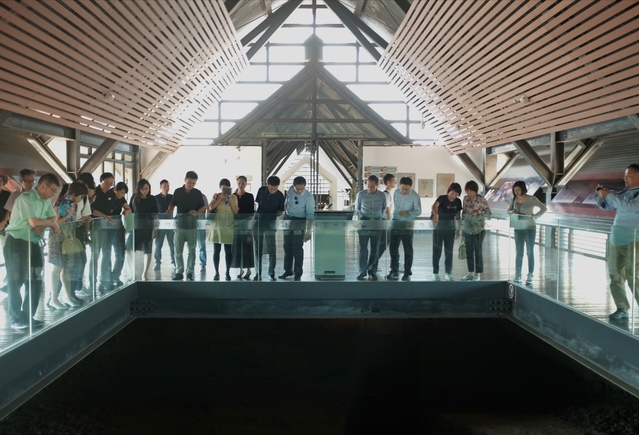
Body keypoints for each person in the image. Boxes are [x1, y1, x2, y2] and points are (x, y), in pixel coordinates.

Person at [4, 173, 61, 331]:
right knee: (16, 280)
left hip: (34, 243)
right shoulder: (26, 198)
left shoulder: (46, 201)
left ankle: (28, 316)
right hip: (17, 243)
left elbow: (53, 217)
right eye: (52, 190)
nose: (53, 195)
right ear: (43, 186)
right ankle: (16, 318)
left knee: (35, 280)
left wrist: (44, 224)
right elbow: (34, 221)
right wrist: (48, 224)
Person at [596, 163, 639, 320]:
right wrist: (600, 195)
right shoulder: (623, 193)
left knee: (633, 275)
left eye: (628, 176)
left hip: (635, 239)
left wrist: (609, 195)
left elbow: (629, 207)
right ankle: (622, 307)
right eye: (625, 176)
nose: (624, 178)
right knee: (615, 274)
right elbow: (606, 205)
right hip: (617, 238)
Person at [47, 181, 89, 309]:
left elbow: (72, 221)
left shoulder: (73, 204)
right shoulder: (59, 202)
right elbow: (54, 222)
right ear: (74, 194)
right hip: (57, 239)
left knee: (67, 269)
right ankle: (53, 299)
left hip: (68, 239)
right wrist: (68, 216)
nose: (81, 199)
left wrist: (80, 220)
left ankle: (67, 296)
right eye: (81, 196)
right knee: (57, 268)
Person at [166, 171, 207, 281]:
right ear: (185, 180)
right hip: (179, 225)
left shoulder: (197, 193)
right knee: (178, 250)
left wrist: (196, 212)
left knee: (192, 251)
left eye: (193, 183)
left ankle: (190, 272)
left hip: (192, 225)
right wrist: (170, 209)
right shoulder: (178, 191)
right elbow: (172, 203)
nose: (191, 185)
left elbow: (203, 207)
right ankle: (179, 272)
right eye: (189, 182)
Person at [507, 180, 547, 286]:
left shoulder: (531, 199)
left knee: (530, 252)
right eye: (514, 190)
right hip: (518, 227)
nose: (516, 192)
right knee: (519, 252)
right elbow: (508, 210)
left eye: (518, 190)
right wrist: (513, 212)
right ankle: (518, 275)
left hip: (530, 227)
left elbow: (543, 208)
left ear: (523, 189)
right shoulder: (513, 199)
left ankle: (530, 275)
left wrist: (534, 216)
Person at [279, 176, 314, 281]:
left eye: (301, 189)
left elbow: (310, 215)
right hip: (287, 219)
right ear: (293, 186)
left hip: (299, 221)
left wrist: (308, 231)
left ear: (305, 187)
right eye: (297, 189)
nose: (299, 191)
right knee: (287, 246)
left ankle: (298, 272)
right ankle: (288, 270)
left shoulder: (308, 197)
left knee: (297, 247)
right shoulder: (290, 189)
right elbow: (287, 203)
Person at [387, 176, 421, 281]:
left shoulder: (415, 196)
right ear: (399, 186)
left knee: (407, 248)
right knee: (393, 247)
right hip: (395, 222)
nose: (404, 191)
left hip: (407, 224)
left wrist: (408, 213)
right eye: (402, 189)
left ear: (411, 187)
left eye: (406, 189)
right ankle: (394, 270)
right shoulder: (396, 193)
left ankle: (407, 271)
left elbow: (418, 211)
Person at [355, 175, 386, 280]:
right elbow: (357, 208)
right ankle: (362, 271)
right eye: (368, 186)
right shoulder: (361, 194)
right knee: (363, 248)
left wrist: (377, 216)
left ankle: (372, 270)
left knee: (375, 248)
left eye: (372, 186)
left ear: (377, 185)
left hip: (377, 222)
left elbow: (383, 208)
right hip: (364, 221)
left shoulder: (382, 195)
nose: (369, 188)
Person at [253, 176, 285, 281]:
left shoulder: (280, 196)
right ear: (267, 185)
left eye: (275, 189)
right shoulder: (261, 190)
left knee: (272, 248)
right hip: (259, 221)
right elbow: (258, 204)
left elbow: (280, 211)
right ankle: (258, 272)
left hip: (271, 223)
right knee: (258, 248)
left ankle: (272, 272)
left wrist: (277, 213)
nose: (273, 191)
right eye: (271, 188)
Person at [126, 179, 158, 280]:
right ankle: (132, 271)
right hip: (136, 227)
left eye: (146, 189)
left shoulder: (152, 198)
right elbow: (130, 211)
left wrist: (155, 229)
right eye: (142, 189)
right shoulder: (134, 197)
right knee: (129, 248)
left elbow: (155, 214)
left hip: (148, 227)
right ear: (139, 189)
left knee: (148, 250)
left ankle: (145, 273)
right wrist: (128, 226)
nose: (144, 191)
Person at [90, 172, 117, 292]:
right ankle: (92, 282)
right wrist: (105, 216)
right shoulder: (94, 193)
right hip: (96, 227)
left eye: (111, 183)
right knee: (95, 254)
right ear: (101, 181)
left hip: (108, 228)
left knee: (107, 253)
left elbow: (113, 208)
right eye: (107, 183)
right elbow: (92, 210)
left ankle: (104, 280)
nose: (109, 185)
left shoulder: (111, 193)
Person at [460, 181, 491, 281]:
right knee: (468, 250)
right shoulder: (465, 199)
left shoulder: (481, 199)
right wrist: (462, 225)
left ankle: (478, 274)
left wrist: (478, 211)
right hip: (468, 228)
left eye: (471, 191)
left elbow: (488, 212)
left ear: (475, 191)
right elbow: (464, 212)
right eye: (467, 191)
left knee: (478, 250)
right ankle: (470, 273)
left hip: (479, 229)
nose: (469, 193)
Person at [431, 183, 463, 281]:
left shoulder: (458, 201)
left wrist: (457, 229)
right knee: (437, 251)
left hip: (450, 228)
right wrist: (436, 214)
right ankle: (435, 273)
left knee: (449, 251)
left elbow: (458, 216)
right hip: (439, 228)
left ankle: (448, 273)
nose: (454, 196)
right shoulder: (442, 198)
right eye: (452, 193)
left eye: (456, 194)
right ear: (448, 191)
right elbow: (434, 206)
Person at [208, 178, 238, 281]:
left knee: (228, 251)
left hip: (229, 226)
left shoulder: (233, 197)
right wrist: (220, 199)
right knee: (216, 250)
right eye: (223, 189)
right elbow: (211, 207)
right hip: (217, 226)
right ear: (220, 188)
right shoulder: (216, 196)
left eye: (227, 189)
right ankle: (216, 272)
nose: (224, 191)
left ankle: (227, 272)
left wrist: (230, 201)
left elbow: (235, 211)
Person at [231, 176, 255, 280]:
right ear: (237, 183)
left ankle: (248, 269)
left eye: (243, 183)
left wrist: (248, 224)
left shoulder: (249, 196)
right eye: (239, 183)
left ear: (246, 184)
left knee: (247, 247)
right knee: (237, 247)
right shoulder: (233, 196)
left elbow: (251, 212)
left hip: (246, 225)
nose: (241, 185)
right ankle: (240, 268)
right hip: (235, 225)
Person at [108, 182, 131, 287]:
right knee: (107, 253)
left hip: (118, 228)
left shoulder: (121, 199)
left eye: (124, 193)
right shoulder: (109, 195)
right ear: (115, 190)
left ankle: (115, 276)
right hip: (107, 228)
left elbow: (128, 208)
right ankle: (107, 277)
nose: (122, 195)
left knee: (120, 253)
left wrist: (127, 211)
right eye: (121, 192)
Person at [375, 173, 396, 273]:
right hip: (385, 222)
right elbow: (387, 210)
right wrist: (389, 222)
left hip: (385, 221)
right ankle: (373, 264)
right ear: (388, 182)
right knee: (383, 244)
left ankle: (374, 264)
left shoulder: (387, 193)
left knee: (382, 244)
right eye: (393, 181)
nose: (394, 182)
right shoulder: (386, 194)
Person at [154, 179, 175, 271]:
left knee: (172, 244)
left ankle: (174, 262)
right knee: (159, 244)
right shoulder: (156, 198)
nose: (166, 188)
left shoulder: (172, 197)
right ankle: (157, 262)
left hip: (170, 222)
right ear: (160, 187)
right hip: (160, 223)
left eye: (168, 186)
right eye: (164, 186)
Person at [198, 192, 209, 273]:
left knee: (201, 245)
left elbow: (207, 208)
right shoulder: (187, 197)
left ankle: (203, 263)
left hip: (200, 224)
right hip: (190, 224)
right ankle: (191, 264)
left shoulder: (202, 196)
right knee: (191, 246)